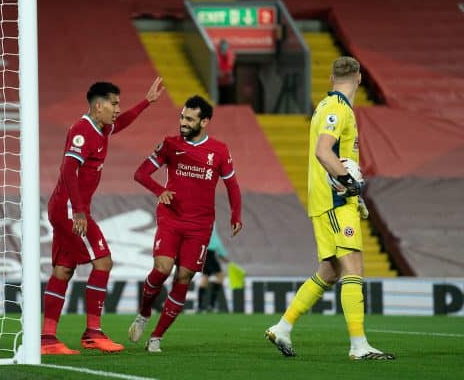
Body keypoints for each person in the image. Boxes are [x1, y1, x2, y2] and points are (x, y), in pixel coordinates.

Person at [264, 57, 395, 360]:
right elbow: (324, 151)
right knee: (354, 267)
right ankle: (359, 345)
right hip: (335, 202)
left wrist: (355, 196)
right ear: (359, 78)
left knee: (330, 271)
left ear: (331, 76)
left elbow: (330, 156)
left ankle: (282, 327)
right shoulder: (337, 109)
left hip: (330, 199)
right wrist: (351, 185)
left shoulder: (324, 106)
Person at [40, 77, 164, 355]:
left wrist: (147, 102)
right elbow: (68, 171)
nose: (118, 108)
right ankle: (93, 332)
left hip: (67, 209)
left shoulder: (102, 129)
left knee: (63, 270)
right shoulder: (82, 131)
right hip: (70, 211)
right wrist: (80, 211)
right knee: (104, 261)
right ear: (98, 106)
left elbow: (122, 123)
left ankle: (47, 338)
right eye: (114, 103)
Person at [127, 95, 242, 353]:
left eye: (189, 119)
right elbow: (140, 173)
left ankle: (156, 337)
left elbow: (232, 185)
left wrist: (236, 215)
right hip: (171, 218)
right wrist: (160, 191)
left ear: (204, 122)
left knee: (184, 276)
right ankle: (144, 313)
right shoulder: (169, 145)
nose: (182, 122)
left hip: (200, 226)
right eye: (181, 117)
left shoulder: (219, 151)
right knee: (162, 268)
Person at [197, 225, 229, 313]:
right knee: (219, 276)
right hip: (209, 254)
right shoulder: (210, 222)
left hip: (204, 252)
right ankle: (211, 304)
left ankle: (201, 306)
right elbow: (215, 240)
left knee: (205, 277)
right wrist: (223, 254)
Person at [216, 39, 235, 104]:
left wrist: (225, 72)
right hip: (220, 81)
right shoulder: (217, 53)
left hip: (227, 81)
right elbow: (217, 64)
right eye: (222, 46)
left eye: (225, 46)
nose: (223, 48)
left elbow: (230, 65)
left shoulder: (229, 53)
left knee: (228, 98)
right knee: (221, 98)